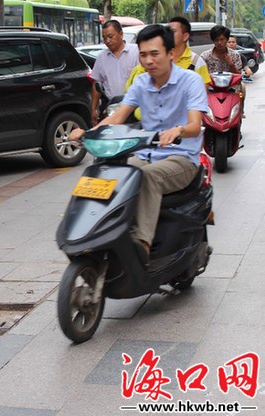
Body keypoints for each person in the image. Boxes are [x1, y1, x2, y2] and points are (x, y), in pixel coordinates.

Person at [71, 24, 208, 261]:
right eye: (143, 55)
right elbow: (117, 117)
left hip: (182, 158)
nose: (149, 60)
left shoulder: (191, 81)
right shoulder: (141, 83)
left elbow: (195, 125)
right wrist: (88, 132)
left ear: (170, 54)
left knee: (147, 178)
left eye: (155, 54)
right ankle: (103, 234)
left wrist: (179, 130)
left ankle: (141, 244)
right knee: (109, 175)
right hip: (146, 154)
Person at [124, 16, 211, 120]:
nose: (149, 61)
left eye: (173, 31)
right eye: (143, 55)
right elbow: (124, 107)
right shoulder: (140, 74)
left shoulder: (196, 65)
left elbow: (200, 102)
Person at [89, 20, 140, 124]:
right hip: (110, 107)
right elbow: (96, 84)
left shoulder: (136, 52)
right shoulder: (101, 58)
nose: (107, 41)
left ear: (121, 34)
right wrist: (93, 108)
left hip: (133, 106)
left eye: (110, 36)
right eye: (104, 38)